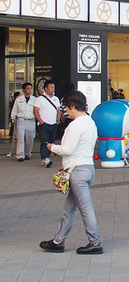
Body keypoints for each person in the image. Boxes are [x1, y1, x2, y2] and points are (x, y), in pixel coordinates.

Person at [40, 90, 102, 254]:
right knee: (70, 208)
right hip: (88, 168)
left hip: (77, 171)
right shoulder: (90, 122)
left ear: (73, 106)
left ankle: (95, 242)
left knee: (85, 209)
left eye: (67, 108)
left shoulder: (75, 125)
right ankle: (58, 240)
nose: (66, 111)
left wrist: (51, 147)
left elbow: (67, 149)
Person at [34, 80, 61, 168]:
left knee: (51, 141)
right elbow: (35, 111)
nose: (53, 89)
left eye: (53, 87)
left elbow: (58, 110)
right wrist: (41, 121)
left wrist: (57, 120)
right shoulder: (39, 99)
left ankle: (47, 157)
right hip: (44, 124)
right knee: (44, 142)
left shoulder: (55, 99)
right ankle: (45, 158)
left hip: (53, 124)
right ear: (45, 88)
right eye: (51, 87)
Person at [10, 82, 36, 162]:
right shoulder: (18, 99)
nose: (29, 90)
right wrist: (13, 119)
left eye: (30, 88)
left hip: (31, 120)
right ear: (24, 90)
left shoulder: (34, 99)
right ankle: (20, 155)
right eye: (28, 88)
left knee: (30, 138)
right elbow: (14, 110)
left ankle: (28, 153)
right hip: (21, 120)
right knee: (20, 138)